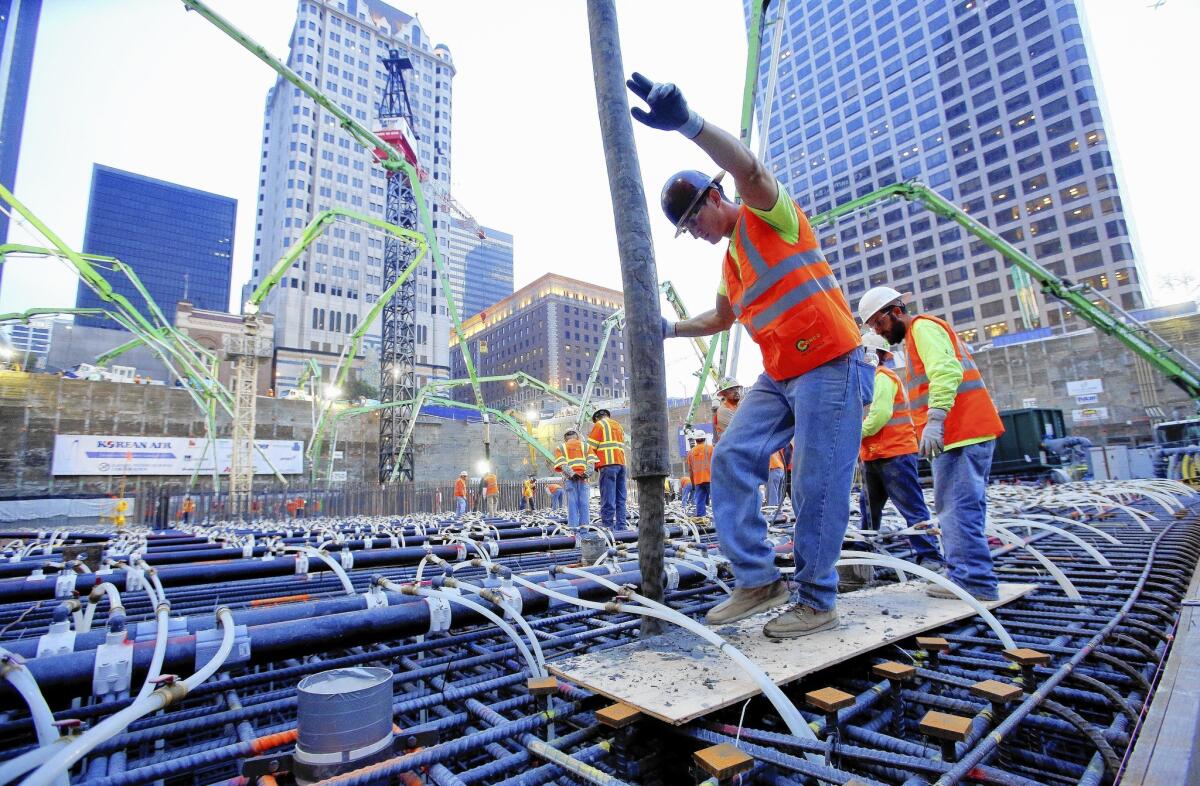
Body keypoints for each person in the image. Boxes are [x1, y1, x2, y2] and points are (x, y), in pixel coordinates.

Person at [632, 71, 868, 637]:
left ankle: (816, 598)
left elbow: (752, 169)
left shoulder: (768, 217)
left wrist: (690, 125)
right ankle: (759, 580)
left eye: (694, 222)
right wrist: (664, 329)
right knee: (730, 458)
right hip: (783, 375)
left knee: (817, 480)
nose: (695, 234)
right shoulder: (730, 263)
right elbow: (718, 319)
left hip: (832, 363)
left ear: (716, 197)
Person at [859, 286, 1005, 601]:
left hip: (960, 432)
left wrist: (936, 419)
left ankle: (973, 581)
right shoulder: (916, 339)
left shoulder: (923, 328)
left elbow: (946, 370)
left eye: (878, 324)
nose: (879, 331)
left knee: (956, 510)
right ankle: (968, 575)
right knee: (961, 509)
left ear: (895, 311)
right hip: (961, 434)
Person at [856, 331, 944, 568]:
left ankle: (930, 557)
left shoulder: (882, 377)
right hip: (874, 454)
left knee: (911, 506)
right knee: (869, 508)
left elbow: (880, 416)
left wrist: (852, 435)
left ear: (872, 355)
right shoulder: (866, 382)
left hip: (894, 453)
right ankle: (866, 552)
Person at [588, 408, 628, 530]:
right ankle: (621, 525)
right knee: (621, 498)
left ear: (596, 418)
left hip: (608, 464)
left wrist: (591, 465)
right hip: (621, 464)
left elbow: (590, 448)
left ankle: (607, 525)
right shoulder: (618, 426)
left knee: (608, 497)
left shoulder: (600, 425)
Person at [554, 428, 597, 526]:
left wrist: (572, 474)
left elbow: (562, 464)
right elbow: (591, 463)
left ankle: (573, 529)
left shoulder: (561, 447)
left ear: (565, 438)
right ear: (578, 436)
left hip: (570, 480)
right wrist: (586, 474)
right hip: (584, 479)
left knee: (572, 505)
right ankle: (584, 528)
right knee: (584, 504)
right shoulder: (586, 446)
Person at [686, 433, 714, 517]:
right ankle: (720, 519)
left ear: (695, 440)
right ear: (704, 439)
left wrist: (693, 483)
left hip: (698, 481)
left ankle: (701, 519)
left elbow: (690, 470)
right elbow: (717, 463)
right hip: (710, 479)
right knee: (716, 500)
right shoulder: (711, 448)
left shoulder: (691, 452)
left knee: (700, 500)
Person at [712, 378, 742, 443]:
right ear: (724, 394)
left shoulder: (739, 406)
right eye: (732, 389)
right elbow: (740, 431)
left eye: (737, 388)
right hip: (730, 449)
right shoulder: (724, 410)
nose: (736, 391)